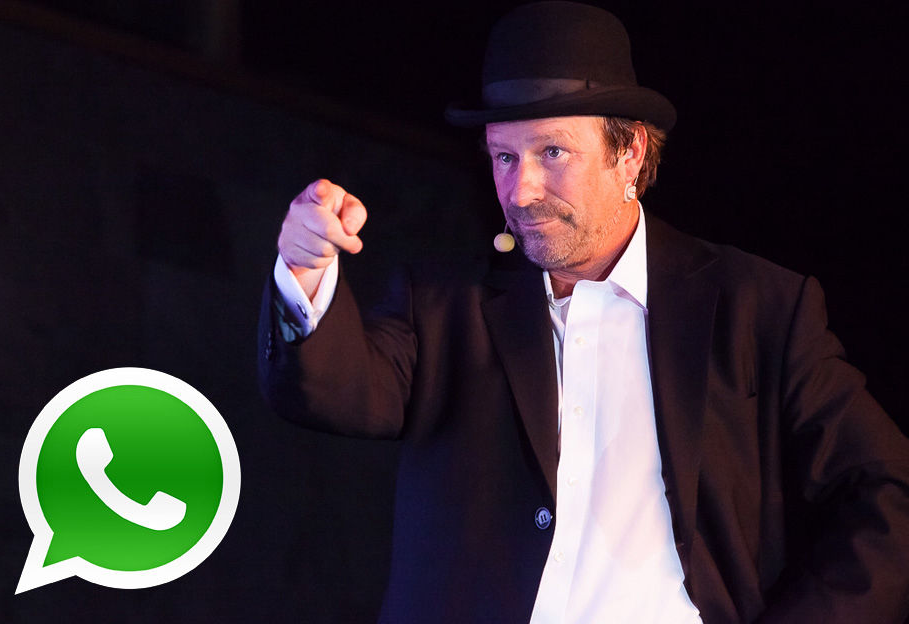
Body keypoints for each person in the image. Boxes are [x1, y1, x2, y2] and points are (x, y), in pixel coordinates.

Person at [258, 2, 909, 622]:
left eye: (553, 153)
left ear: (629, 154)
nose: (522, 191)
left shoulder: (757, 307)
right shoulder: (446, 305)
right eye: (505, 157)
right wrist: (304, 267)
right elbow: (334, 392)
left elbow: (886, 493)